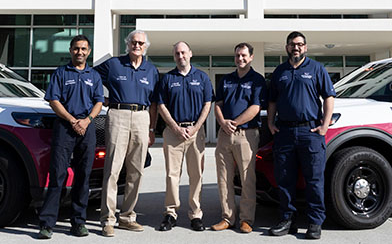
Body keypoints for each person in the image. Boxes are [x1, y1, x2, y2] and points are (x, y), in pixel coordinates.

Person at [266, 31, 335, 240]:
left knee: (314, 180)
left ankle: (315, 222)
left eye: (299, 44)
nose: (296, 48)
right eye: (292, 44)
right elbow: (272, 101)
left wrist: (324, 125)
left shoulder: (316, 69)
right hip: (285, 132)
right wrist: (270, 123)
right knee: (284, 179)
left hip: (310, 132)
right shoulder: (280, 71)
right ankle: (287, 220)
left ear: (305, 47)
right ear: (287, 47)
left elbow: (329, 96)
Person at [94, 29, 160, 237]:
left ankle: (127, 217)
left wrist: (151, 129)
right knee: (113, 169)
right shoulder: (113, 64)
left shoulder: (151, 70)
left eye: (141, 43)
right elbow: (90, 78)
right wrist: (101, 101)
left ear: (146, 46)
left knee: (136, 170)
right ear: (128, 44)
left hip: (142, 118)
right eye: (133, 42)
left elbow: (155, 103)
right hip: (118, 115)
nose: (137, 45)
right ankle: (108, 219)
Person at [38, 34, 104, 239]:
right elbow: (53, 101)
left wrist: (86, 121)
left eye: (84, 49)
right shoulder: (60, 73)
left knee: (83, 177)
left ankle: (78, 223)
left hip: (87, 129)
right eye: (76, 48)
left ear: (89, 52)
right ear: (70, 50)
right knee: (57, 176)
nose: (80, 52)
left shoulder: (94, 76)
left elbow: (99, 102)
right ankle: (47, 224)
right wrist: (72, 120)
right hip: (65, 129)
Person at [153, 41, 213, 232]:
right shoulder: (167, 79)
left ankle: (195, 215)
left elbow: (207, 104)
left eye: (183, 52)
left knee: (196, 175)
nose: (181, 56)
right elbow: (161, 106)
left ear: (190, 54)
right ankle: (170, 213)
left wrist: (195, 127)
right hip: (173, 133)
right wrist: (175, 127)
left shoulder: (202, 77)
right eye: (177, 54)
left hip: (196, 133)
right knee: (172, 175)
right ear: (174, 56)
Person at [211, 42, 266, 234]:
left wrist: (233, 122)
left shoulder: (257, 80)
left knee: (246, 179)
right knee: (223, 178)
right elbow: (218, 104)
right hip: (224, 135)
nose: (240, 59)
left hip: (246, 135)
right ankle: (227, 218)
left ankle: (246, 219)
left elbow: (255, 108)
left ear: (251, 57)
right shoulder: (226, 79)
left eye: (244, 55)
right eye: (237, 56)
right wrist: (223, 123)